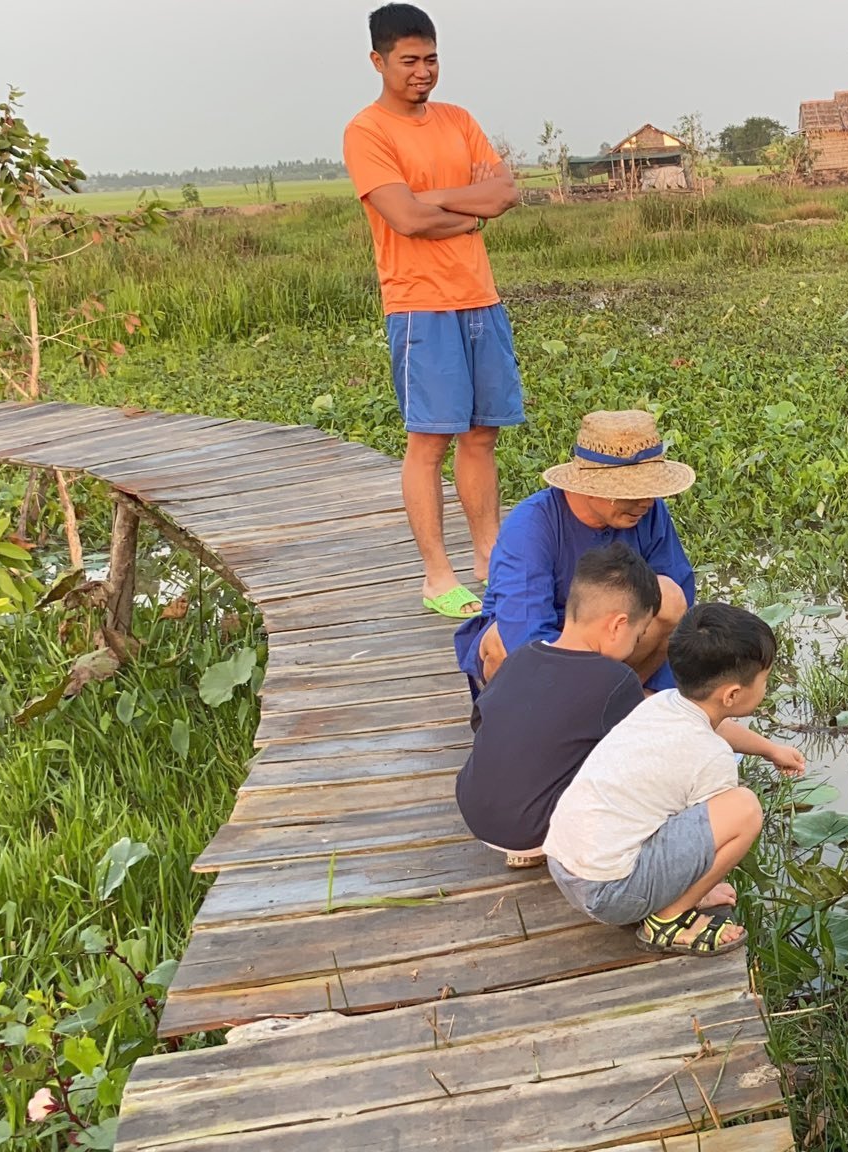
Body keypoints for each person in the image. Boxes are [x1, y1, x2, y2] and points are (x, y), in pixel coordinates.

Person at [452, 408, 802, 770]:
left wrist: (670, 694)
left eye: (650, 491)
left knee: (669, 596)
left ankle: (619, 711)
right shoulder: (531, 527)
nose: (646, 503)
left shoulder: (648, 511)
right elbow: (526, 635)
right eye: (630, 493)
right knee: (498, 643)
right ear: (588, 486)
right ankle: (557, 728)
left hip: (615, 647)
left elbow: (680, 603)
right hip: (545, 657)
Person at [343, 3, 524, 621]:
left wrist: (445, 199)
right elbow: (406, 219)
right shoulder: (367, 132)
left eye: (432, 58)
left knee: (482, 434)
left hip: (480, 296)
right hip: (420, 306)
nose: (423, 72)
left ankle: (487, 555)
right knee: (430, 442)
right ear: (379, 61)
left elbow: (504, 193)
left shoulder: (458, 120)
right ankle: (436, 574)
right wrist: (464, 211)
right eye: (409, 61)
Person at [543, 604, 800, 955]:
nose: (766, 686)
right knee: (744, 810)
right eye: (764, 679)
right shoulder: (711, 757)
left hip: (565, 867)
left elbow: (718, 725)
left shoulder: (662, 703)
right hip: (610, 894)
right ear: (732, 695)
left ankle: (681, 894)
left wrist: (770, 749)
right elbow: (710, 837)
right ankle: (669, 920)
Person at [454, 542, 658, 870]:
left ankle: (524, 841)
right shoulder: (616, 680)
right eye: (639, 634)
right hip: (534, 830)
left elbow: (481, 721)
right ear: (619, 624)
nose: (637, 645)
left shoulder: (522, 655)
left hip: (474, 811)